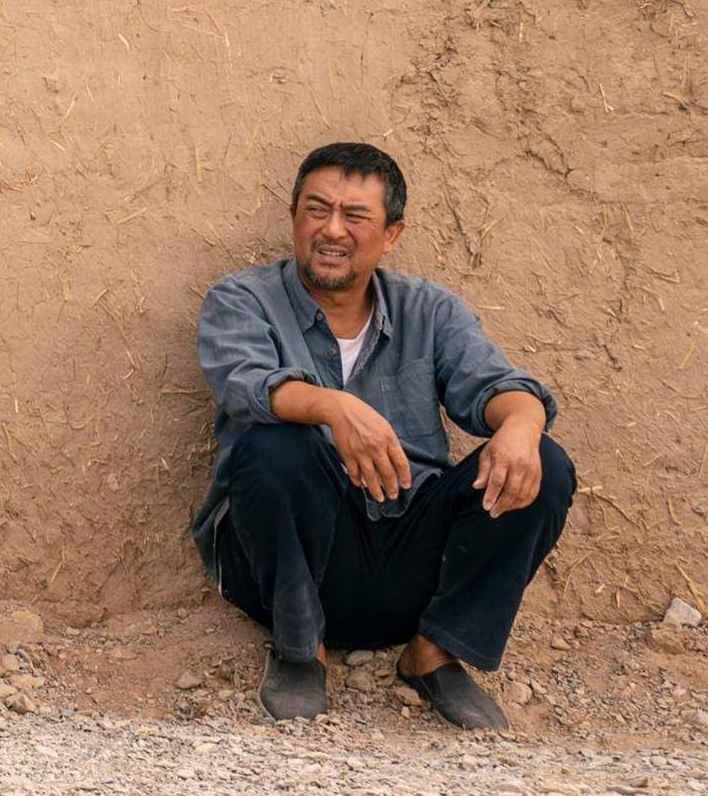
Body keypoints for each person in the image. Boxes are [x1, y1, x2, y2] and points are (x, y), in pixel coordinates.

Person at [194, 142, 570, 730]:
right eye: (316, 210)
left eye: (355, 216)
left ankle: (433, 654)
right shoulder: (243, 299)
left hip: (404, 556)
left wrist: (523, 425)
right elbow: (246, 386)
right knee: (274, 443)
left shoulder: (430, 311)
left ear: (391, 233)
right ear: (294, 215)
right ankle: (299, 650)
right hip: (280, 561)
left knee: (544, 465)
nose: (332, 230)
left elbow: (498, 385)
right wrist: (332, 407)